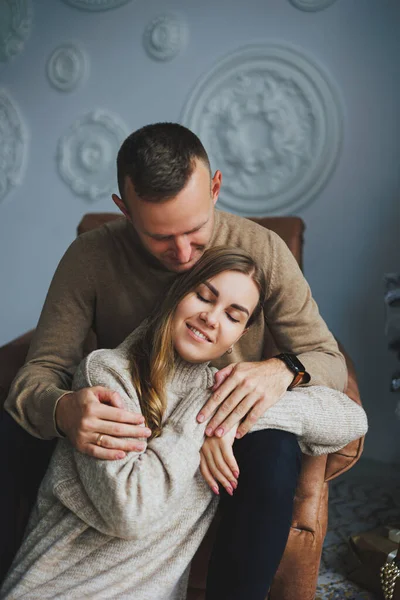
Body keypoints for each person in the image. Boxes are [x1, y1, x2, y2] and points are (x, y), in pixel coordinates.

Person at [2, 123, 348, 594]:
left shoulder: (263, 250)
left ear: (216, 187)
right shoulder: (90, 257)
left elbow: (327, 359)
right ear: (124, 211)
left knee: (275, 449)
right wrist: (63, 411)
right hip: (131, 419)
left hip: (223, 429)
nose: (183, 254)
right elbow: (38, 374)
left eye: (195, 230)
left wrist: (281, 370)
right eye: (160, 237)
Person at [0, 248, 367, 600]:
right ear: (175, 295)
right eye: (205, 297)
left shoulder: (220, 392)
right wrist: (202, 419)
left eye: (233, 315)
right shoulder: (107, 372)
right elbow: (130, 511)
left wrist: (238, 403)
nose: (211, 318)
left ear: (238, 337)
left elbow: (351, 420)